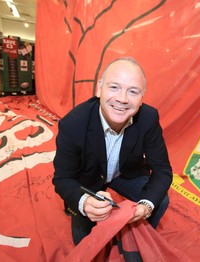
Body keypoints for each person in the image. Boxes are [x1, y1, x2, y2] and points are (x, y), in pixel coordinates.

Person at [53, 57, 173, 245]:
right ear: (99, 88)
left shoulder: (149, 118)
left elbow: (163, 171)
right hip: (88, 179)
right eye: (114, 87)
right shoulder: (73, 124)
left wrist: (145, 206)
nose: (122, 99)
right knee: (85, 244)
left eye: (133, 91)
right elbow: (62, 178)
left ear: (142, 97)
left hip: (126, 173)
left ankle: (140, 240)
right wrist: (83, 202)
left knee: (160, 200)